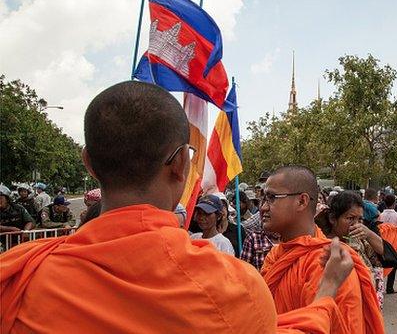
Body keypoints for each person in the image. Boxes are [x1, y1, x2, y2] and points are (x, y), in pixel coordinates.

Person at [0, 81, 355, 333]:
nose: (263, 206)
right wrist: (325, 296)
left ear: (89, 164)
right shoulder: (232, 286)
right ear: (181, 167)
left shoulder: (18, 274)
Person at [262, 167, 385, 333]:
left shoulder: (329, 263)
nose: (263, 207)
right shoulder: (275, 255)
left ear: (302, 201)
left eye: (271, 197)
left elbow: (343, 327)